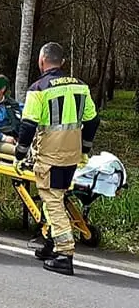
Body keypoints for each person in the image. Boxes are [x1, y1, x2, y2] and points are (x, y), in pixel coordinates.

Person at [15, 42, 99, 275]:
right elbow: (92, 120)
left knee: (52, 201)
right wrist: (84, 148)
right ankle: (52, 243)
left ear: (42, 61)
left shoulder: (39, 88)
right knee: (58, 196)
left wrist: (20, 153)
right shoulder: (80, 87)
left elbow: (28, 123)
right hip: (71, 154)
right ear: (62, 62)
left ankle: (64, 253)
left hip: (50, 154)